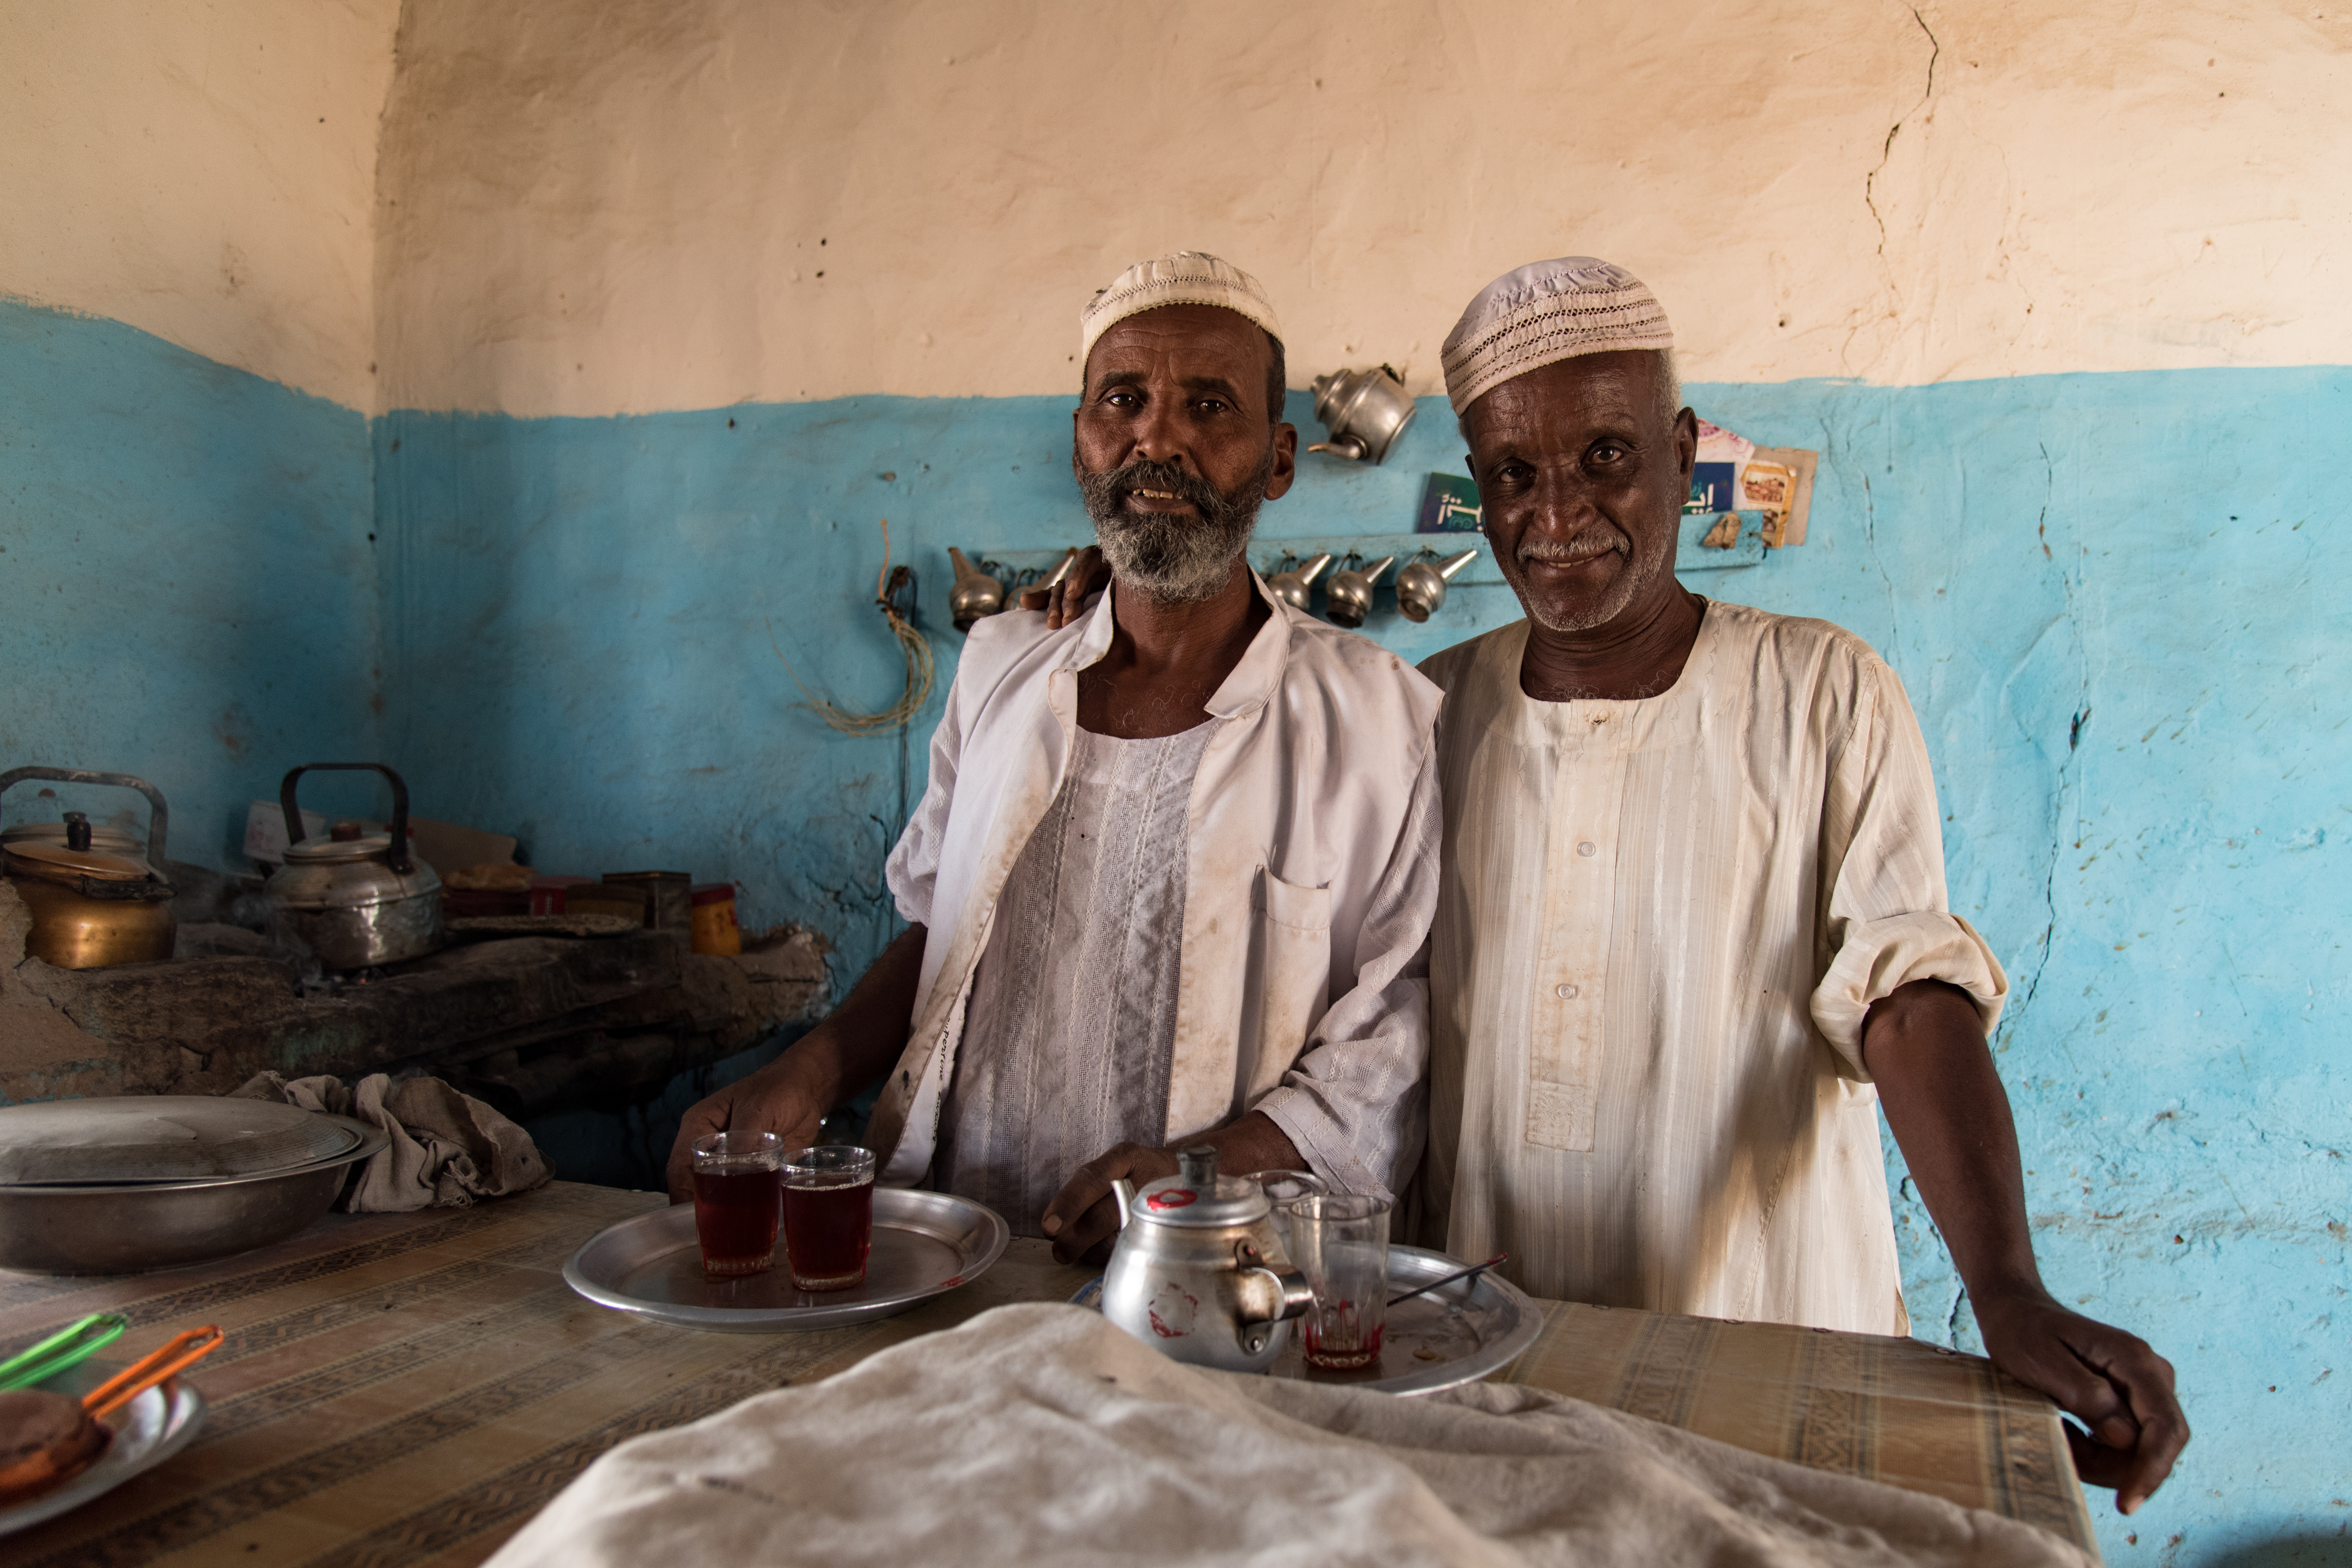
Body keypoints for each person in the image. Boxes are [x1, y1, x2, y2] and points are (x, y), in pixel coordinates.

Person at [1414, 255, 2186, 1512]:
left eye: (1606, 455)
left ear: (1680, 454)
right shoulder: (1430, 711)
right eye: (1514, 473)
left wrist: (2007, 1284)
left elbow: (1906, 991)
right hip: (1491, 1344)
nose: (1556, 510)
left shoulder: (1823, 690)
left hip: (1770, 1340)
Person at [666, 251, 1443, 1265]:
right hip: (961, 1248)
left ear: (1281, 459)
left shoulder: (1380, 721)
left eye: (1210, 406)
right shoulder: (998, 673)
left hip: (1217, 1267)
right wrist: (811, 1070)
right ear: (1080, 445)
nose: (1157, 437)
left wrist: (1194, 1176)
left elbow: (1384, 1056)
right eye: (1123, 400)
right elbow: (940, 931)